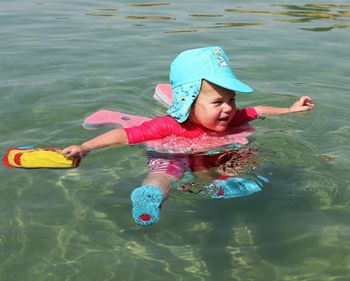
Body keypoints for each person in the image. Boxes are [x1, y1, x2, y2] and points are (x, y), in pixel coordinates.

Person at [62, 46, 314, 226]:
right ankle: (150, 196)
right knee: (162, 173)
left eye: (231, 100)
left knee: (245, 156)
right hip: (172, 151)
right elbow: (123, 134)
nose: (228, 107)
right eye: (218, 102)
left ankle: (223, 182)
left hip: (212, 155)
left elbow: (257, 111)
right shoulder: (168, 126)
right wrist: (86, 147)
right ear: (188, 102)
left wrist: (290, 110)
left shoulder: (232, 117)